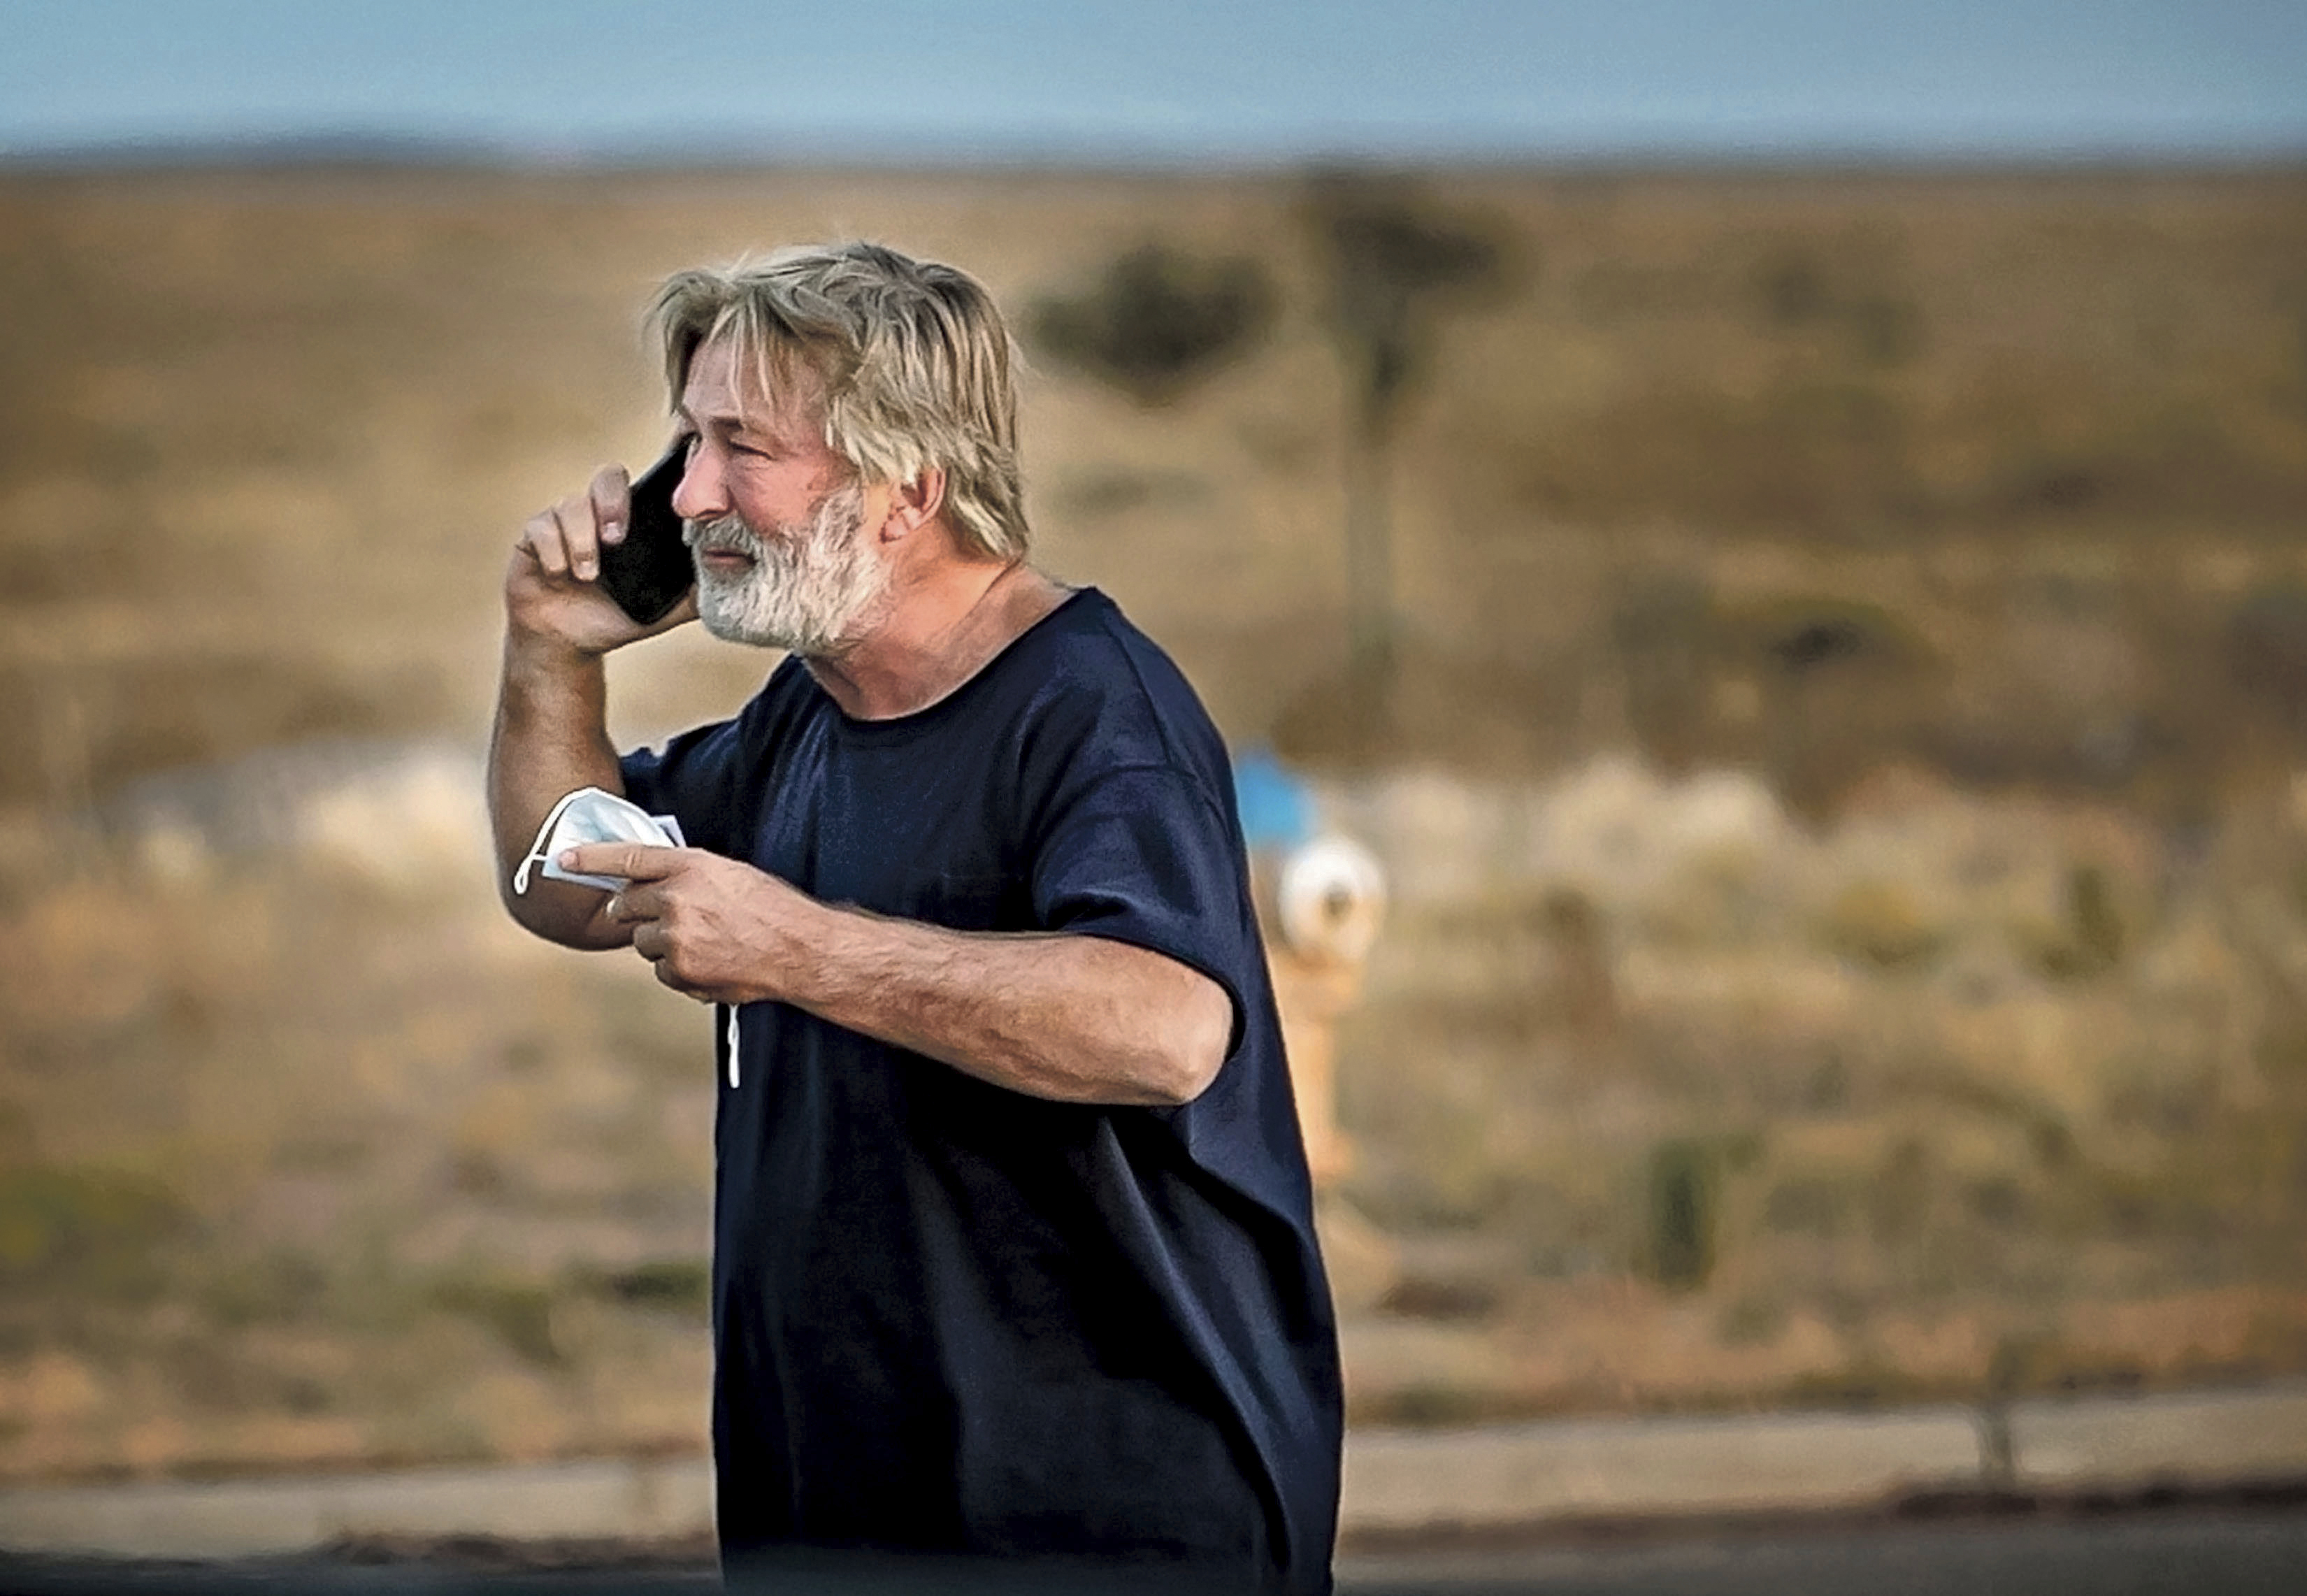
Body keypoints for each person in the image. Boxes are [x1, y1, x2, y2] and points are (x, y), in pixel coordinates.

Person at [487, 241, 1342, 1592]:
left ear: (908, 490)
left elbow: (1169, 1030)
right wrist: (549, 650)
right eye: (686, 445)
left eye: (740, 449)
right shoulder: (808, 714)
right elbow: (565, 879)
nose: (691, 494)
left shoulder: (1093, 712)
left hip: (1101, 1525)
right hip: (836, 1503)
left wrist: (799, 950)